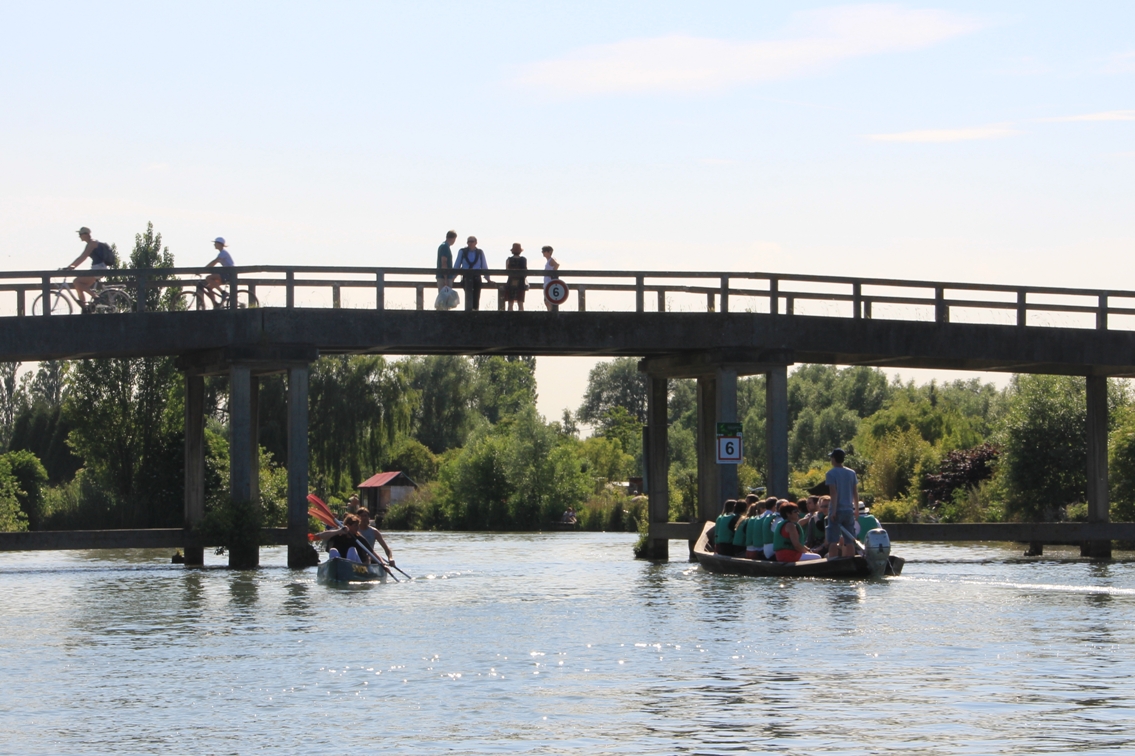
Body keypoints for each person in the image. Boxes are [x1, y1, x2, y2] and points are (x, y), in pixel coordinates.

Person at [67, 227, 114, 309]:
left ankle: (96, 297)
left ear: (86, 234)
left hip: (99, 269)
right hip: (97, 269)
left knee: (76, 281)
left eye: (80, 234)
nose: (79, 236)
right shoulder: (90, 244)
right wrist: (70, 266)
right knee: (79, 286)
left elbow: (83, 257)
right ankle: (85, 308)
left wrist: (72, 266)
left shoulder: (92, 243)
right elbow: (81, 257)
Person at [825, 448, 859, 558]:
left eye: (831, 457)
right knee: (849, 540)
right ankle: (851, 560)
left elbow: (833, 494)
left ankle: (833, 562)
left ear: (834, 459)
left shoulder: (830, 473)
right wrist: (856, 509)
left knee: (833, 540)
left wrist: (833, 511)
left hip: (837, 510)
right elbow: (855, 492)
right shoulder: (851, 473)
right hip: (849, 510)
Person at [455, 236, 491, 310]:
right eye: (469, 241)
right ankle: (469, 312)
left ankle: (475, 311)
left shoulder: (480, 252)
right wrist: (452, 278)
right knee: (468, 296)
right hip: (466, 278)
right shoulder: (462, 252)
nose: (470, 243)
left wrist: (488, 279)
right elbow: (457, 265)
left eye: (472, 241)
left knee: (476, 296)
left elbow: (484, 266)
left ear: (476, 243)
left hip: (477, 277)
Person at [201, 237, 234, 307]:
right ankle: (215, 305)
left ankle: (223, 293)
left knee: (208, 278)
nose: (214, 245)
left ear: (219, 244)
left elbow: (214, 262)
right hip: (226, 273)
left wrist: (204, 269)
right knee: (209, 288)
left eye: (215, 243)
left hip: (228, 274)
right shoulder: (222, 253)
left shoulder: (223, 253)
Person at [503, 243, 528, 311]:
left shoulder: (509, 260)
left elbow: (507, 271)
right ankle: (521, 318)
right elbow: (525, 272)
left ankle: (510, 318)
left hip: (511, 282)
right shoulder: (523, 260)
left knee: (510, 303)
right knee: (520, 303)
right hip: (521, 282)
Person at [541, 246, 560, 310]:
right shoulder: (548, 261)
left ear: (549, 252)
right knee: (546, 301)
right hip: (547, 283)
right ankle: (549, 311)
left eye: (544, 251)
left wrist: (552, 274)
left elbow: (557, 265)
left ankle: (550, 312)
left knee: (549, 300)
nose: (543, 253)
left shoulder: (551, 260)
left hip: (549, 283)